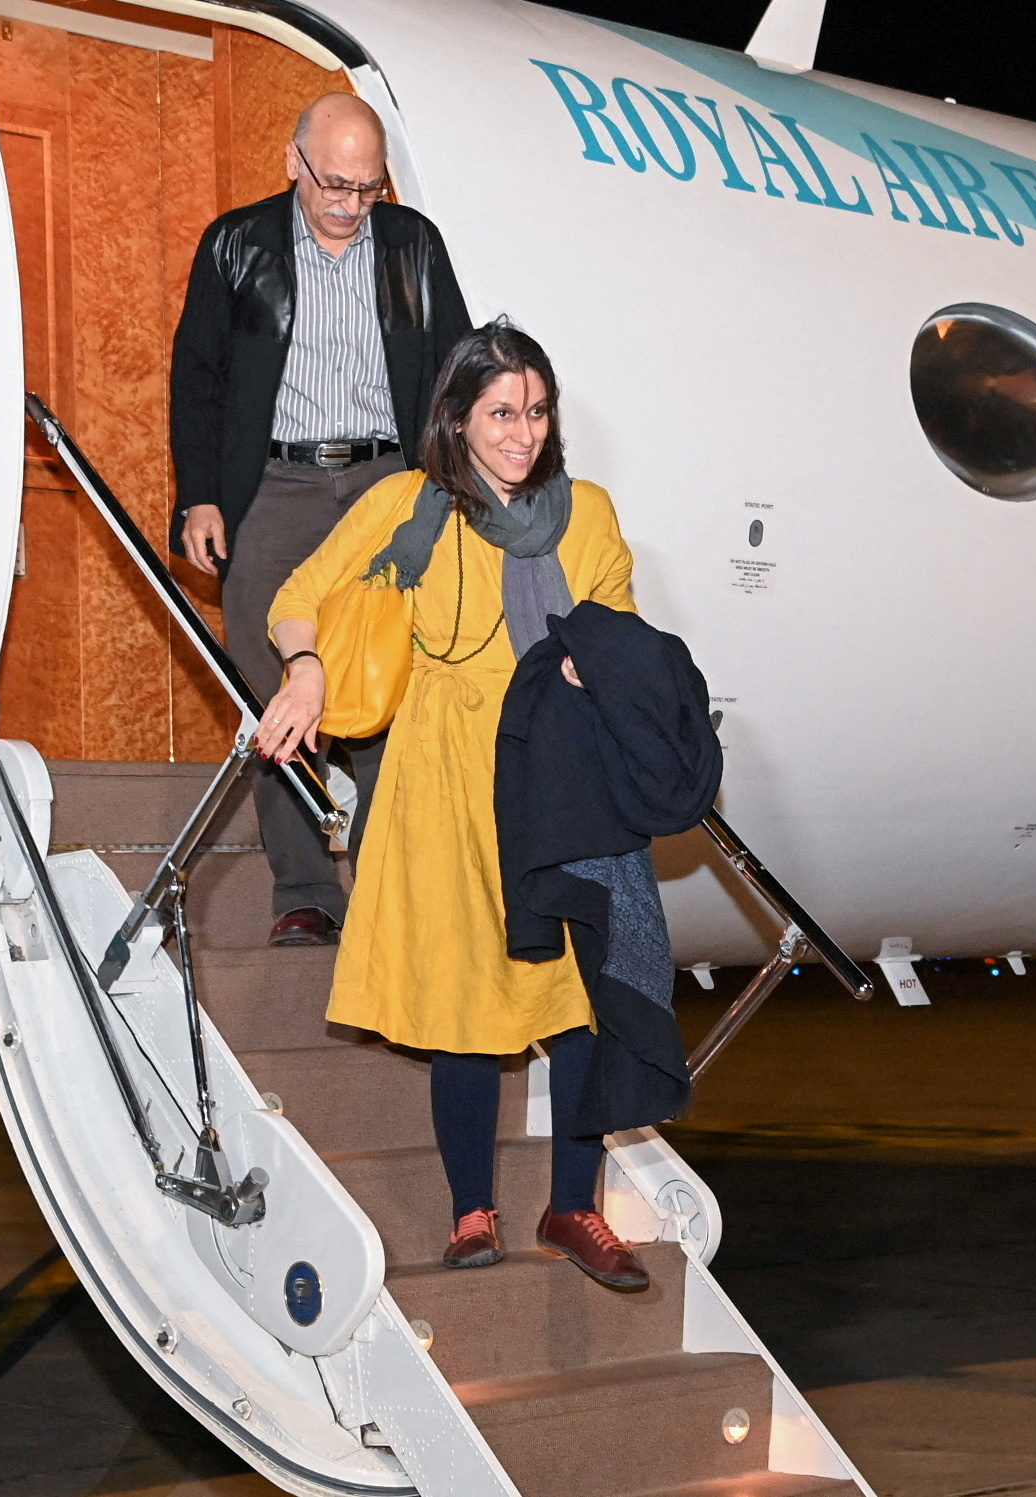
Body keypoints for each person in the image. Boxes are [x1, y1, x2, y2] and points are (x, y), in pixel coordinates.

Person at [255, 322, 651, 1290]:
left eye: (536, 411)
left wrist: (602, 678)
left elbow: (625, 634)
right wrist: (305, 668)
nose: (522, 433)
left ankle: (572, 1206)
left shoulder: (587, 514)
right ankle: (472, 1211)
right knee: (464, 1004)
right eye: (500, 414)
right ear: (459, 420)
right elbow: (297, 596)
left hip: (559, 777)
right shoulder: (410, 505)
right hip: (445, 779)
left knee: (585, 1004)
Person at [170, 92, 471, 946]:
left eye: (367, 188)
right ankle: (305, 890)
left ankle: (381, 883)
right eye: (334, 183)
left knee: (388, 682)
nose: (348, 205)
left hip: (385, 482)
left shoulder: (413, 246)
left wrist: (449, 496)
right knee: (272, 688)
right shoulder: (236, 243)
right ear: (293, 161)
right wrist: (202, 494)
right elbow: (197, 376)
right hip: (273, 484)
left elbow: (455, 372)